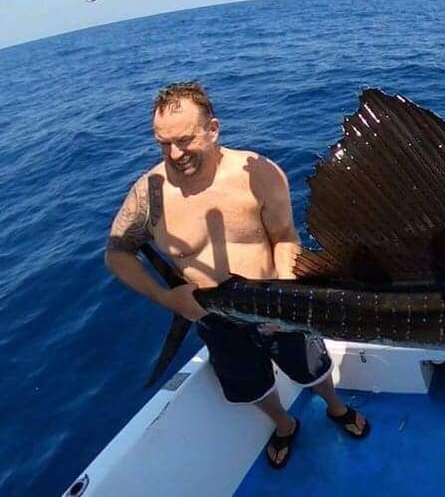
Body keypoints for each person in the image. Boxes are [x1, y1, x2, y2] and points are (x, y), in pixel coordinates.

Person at [105, 82, 369, 470]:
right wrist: (166, 298)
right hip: (215, 319)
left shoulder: (260, 174)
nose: (174, 155)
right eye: (163, 144)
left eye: (184, 140)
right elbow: (117, 253)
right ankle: (283, 424)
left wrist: (289, 293)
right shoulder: (150, 194)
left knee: (312, 368)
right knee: (250, 385)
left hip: (280, 305)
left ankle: (335, 407)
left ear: (213, 129)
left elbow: (284, 238)